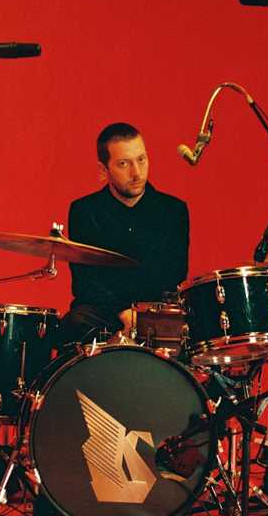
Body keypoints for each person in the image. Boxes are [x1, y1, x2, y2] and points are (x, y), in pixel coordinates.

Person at [57, 122, 189, 347]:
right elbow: (85, 281)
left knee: (190, 327)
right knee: (75, 322)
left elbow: (174, 273)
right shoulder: (85, 211)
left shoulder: (173, 210)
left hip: (153, 310)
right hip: (103, 312)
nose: (136, 172)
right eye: (123, 164)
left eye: (141, 159)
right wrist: (122, 311)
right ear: (103, 170)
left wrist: (141, 313)